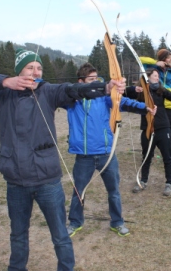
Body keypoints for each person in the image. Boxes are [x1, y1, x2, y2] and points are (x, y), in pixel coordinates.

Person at [0, 49, 126, 271]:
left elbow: (74, 90)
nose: (35, 71)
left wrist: (105, 88)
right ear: (18, 71)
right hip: (16, 181)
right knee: (18, 234)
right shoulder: (2, 95)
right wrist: (5, 82)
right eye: (30, 67)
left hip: (47, 180)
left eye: (39, 67)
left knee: (60, 234)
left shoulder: (48, 91)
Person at [63, 63, 156, 238]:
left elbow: (123, 102)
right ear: (80, 81)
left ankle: (117, 222)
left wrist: (146, 108)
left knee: (114, 191)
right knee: (79, 191)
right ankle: (75, 222)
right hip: (84, 156)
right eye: (91, 80)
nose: (96, 83)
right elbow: (59, 93)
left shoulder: (104, 97)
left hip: (107, 153)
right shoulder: (72, 100)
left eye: (97, 79)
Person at [125, 68, 171, 197]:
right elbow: (124, 93)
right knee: (146, 156)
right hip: (147, 128)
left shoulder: (160, 90)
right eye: (155, 76)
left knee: (167, 157)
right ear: (148, 78)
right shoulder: (140, 92)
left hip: (163, 127)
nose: (157, 78)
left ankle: (169, 183)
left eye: (158, 76)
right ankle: (143, 181)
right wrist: (134, 89)